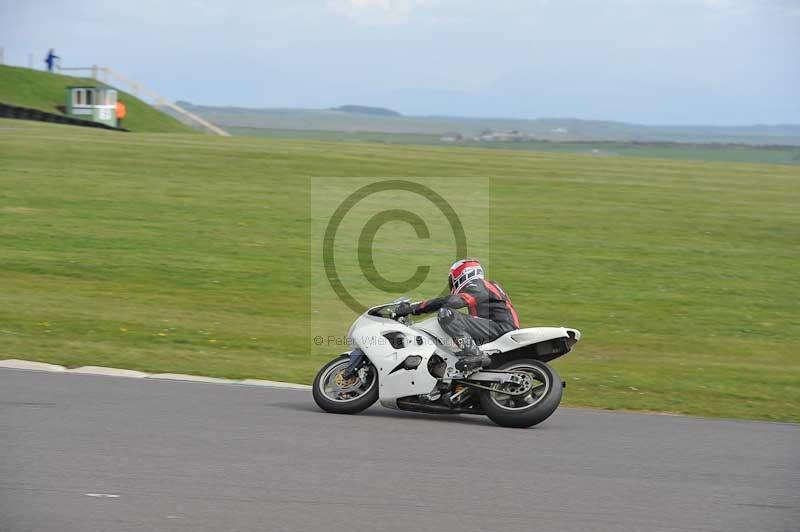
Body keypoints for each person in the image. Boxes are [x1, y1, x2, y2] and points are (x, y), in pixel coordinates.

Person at [395, 258, 520, 372]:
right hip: (496, 328)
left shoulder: (478, 284)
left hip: (500, 327)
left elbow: (452, 302)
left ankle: (474, 354)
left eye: (452, 279)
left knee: (447, 313)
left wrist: (414, 308)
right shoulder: (484, 286)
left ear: (462, 275)